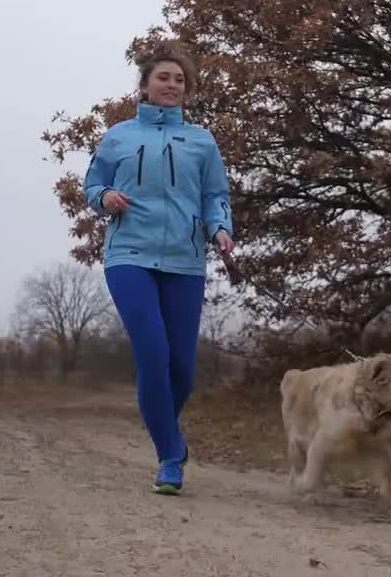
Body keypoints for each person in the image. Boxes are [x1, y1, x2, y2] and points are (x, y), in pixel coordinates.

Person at [82, 40, 234, 495]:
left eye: (179, 80)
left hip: (185, 260)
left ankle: (166, 430)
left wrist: (220, 228)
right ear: (145, 85)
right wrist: (103, 198)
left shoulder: (202, 140)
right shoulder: (119, 136)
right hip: (129, 254)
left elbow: (214, 196)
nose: (172, 85)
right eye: (163, 77)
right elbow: (93, 182)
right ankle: (170, 455)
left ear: (186, 90)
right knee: (152, 352)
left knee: (181, 368)